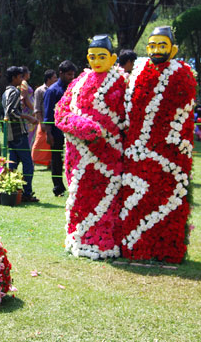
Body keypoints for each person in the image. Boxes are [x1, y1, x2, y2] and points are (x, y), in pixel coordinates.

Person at [121, 26, 196, 263]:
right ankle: (136, 247)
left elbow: (184, 110)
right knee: (137, 202)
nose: (156, 50)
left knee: (168, 199)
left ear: (173, 49)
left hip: (168, 153)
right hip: (137, 151)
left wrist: (172, 139)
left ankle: (167, 249)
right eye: (152, 45)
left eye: (161, 45)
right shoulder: (139, 70)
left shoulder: (182, 73)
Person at [55, 34, 126, 259]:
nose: (96, 61)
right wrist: (83, 127)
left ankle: (104, 242)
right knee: (80, 197)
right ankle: (78, 239)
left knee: (107, 196)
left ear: (113, 57)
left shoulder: (122, 82)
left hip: (108, 154)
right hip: (79, 154)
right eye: (92, 56)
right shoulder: (78, 82)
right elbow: (61, 112)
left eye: (102, 56)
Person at [2, 66, 39, 203]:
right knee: (28, 164)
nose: (22, 79)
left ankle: (11, 190)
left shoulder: (6, 92)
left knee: (13, 164)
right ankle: (26, 193)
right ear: (14, 78)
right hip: (17, 133)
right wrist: (28, 117)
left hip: (10, 134)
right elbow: (11, 112)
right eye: (20, 77)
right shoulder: (14, 92)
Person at [43, 60, 76, 197]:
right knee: (56, 160)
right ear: (61, 73)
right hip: (56, 131)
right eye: (69, 74)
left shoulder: (73, 88)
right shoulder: (52, 91)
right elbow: (47, 113)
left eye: (73, 74)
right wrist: (48, 133)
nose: (71, 77)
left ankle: (73, 186)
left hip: (72, 130)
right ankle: (58, 188)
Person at [31, 69, 57, 168]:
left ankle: (50, 163)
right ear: (49, 79)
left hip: (53, 121)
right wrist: (41, 122)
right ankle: (32, 161)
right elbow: (37, 108)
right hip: (43, 121)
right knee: (39, 142)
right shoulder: (40, 90)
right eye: (54, 77)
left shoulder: (55, 89)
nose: (56, 79)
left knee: (52, 143)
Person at [19, 66, 36, 145]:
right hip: (28, 112)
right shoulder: (24, 83)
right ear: (25, 73)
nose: (29, 74)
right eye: (28, 72)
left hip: (28, 111)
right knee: (30, 134)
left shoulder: (22, 82)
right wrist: (34, 109)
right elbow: (25, 98)